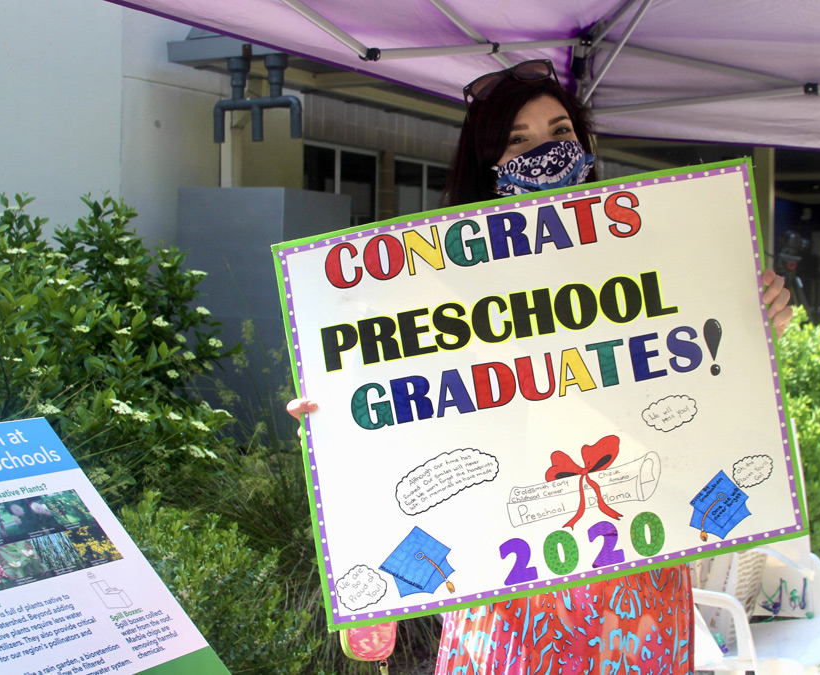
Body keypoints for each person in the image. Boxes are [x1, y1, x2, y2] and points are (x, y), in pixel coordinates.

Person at [288, 59, 792, 674]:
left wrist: (750, 327)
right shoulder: (435, 291)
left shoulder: (655, 268)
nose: (546, 153)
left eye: (560, 133)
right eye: (517, 142)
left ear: (585, 146)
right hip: (507, 597)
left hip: (638, 592)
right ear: (485, 165)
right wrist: (340, 425)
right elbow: (410, 423)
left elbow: (702, 405)